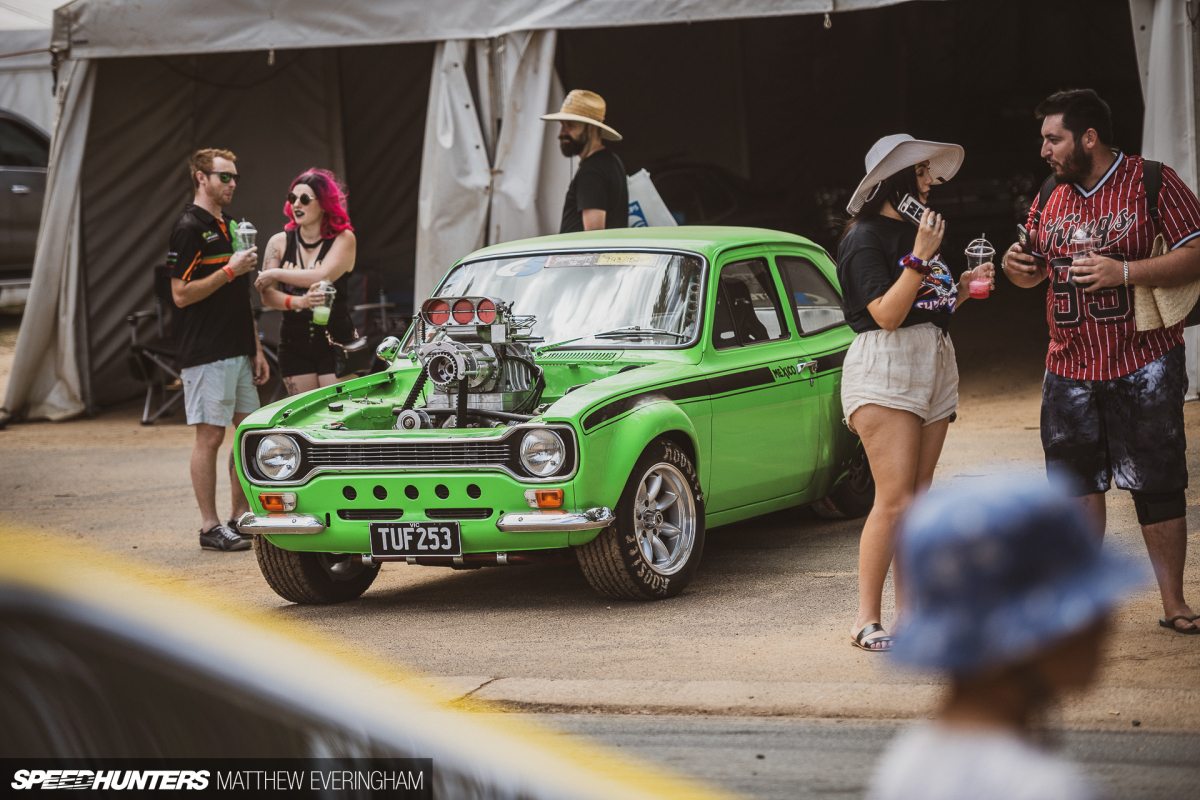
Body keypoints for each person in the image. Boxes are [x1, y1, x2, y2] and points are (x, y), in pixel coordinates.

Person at [1002, 89, 1200, 634]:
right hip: (1068, 368)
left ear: (1088, 138)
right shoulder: (1050, 192)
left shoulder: (1153, 181)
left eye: (1052, 138)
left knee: (1157, 482)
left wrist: (1127, 272)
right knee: (1074, 485)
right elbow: (1034, 265)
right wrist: (1017, 267)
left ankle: (1174, 604)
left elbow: (1196, 249)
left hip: (1145, 362)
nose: (1043, 150)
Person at [867, 476, 1143, 800]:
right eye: (1086, 611)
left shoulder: (904, 764)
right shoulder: (1047, 788)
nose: (1106, 624)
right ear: (1026, 640)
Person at [837, 134, 994, 651]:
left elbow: (930, 309)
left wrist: (964, 284)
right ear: (897, 178)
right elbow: (885, 314)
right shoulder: (866, 237)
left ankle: (912, 616)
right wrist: (920, 257)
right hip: (886, 367)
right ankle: (865, 619)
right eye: (922, 173)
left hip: (932, 364)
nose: (930, 183)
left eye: (929, 173)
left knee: (919, 501)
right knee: (895, 497)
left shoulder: (916, 234)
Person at [168, 148, 269, 552]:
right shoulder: (189, 227)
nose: (231, 184)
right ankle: (210, 527)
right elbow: (180, 295)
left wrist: (257, 349)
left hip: (239, 349)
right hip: (206, 351)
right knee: (209, 437)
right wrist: (229, 270)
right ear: (200, 178)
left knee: (249, 433)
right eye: (224, 177)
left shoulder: (228, 226)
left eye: (235, 178)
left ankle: (239, 517)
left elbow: (240, 298)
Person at [254, 168, 357, 395]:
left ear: (324, 203)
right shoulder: (278, 242)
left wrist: (276, 273)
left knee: (337, 419)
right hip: (294, 342)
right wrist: (301, 302)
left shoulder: (344, 238)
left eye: (304, 199)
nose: (296, 204)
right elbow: (267, 295)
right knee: (304, 417)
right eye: (292, 198)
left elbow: (322, 275)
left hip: (336, 340)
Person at [541, 89, 629, 233]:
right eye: (562, 125)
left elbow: (593, 238)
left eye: (570, 126)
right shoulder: (610, 161)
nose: (562, 133)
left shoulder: (592, 171)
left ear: (592, 129)